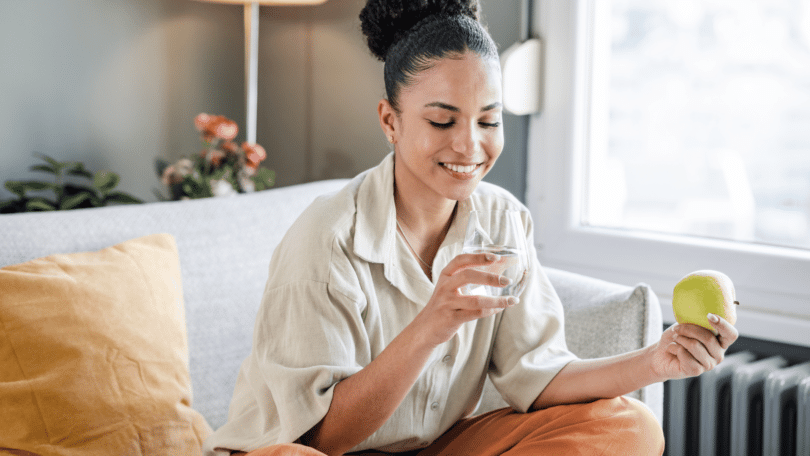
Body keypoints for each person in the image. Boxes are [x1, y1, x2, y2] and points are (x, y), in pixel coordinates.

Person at [203, 1, 738, 455]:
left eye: (488, 120)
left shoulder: (503, 219)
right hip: (301, 450)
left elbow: (540, 374)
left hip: (431, 446)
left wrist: (656, 361)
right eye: (442, 121)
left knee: (628, 427)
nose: (469, 146)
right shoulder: (328, 237)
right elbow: (322, 436)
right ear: (391, 120)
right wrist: (432, 324)